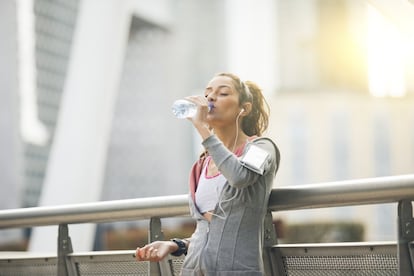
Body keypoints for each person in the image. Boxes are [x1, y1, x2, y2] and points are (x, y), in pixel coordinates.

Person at [135, 72, 280, 275]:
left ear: (244, 109)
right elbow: (209, 229)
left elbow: (240, 177)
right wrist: (176, 245)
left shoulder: (262, 148)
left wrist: (203, 130)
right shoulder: (202, 163)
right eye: (207, 93)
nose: (210, 98)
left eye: (222, 93)